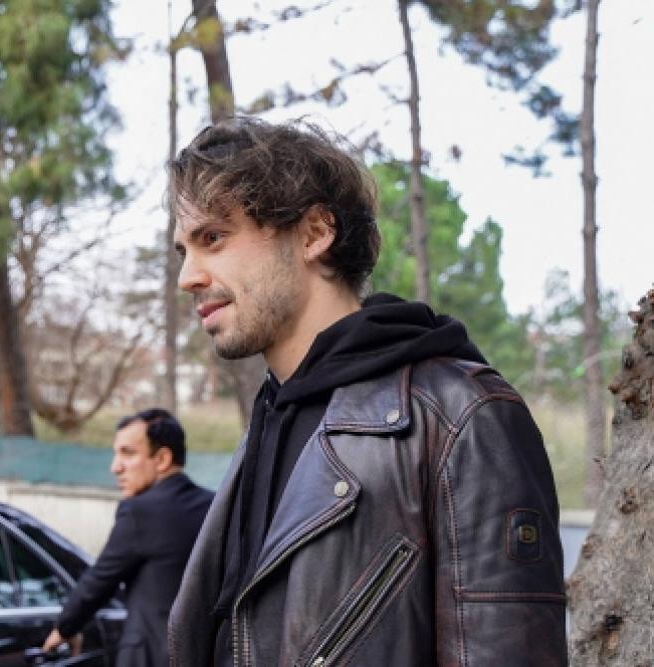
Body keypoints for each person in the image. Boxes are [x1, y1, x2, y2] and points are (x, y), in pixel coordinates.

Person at [165, 117, 567, 665]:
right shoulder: (273, 415)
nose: (187, 276)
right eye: (184, 251)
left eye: (213, 238)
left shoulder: (460, 416)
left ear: (314, 233)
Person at [42, 408, 213, 666]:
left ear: (162, 459)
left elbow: (101, 580)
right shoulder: (215, 507)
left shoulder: (139, 511)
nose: (115, 467)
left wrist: (64, 628)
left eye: (128, 453)